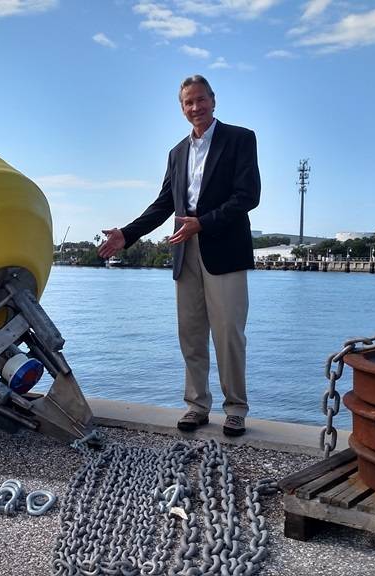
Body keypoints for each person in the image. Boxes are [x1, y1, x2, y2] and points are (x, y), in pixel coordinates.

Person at [98, 75, 260, 437]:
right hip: (183, 250)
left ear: (213, 100)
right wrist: (128, 234)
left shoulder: (240, 139)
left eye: (201, 100)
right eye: (188, 102)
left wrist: (202, 223)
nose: (195, 108)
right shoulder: (177, 152)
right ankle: (196, 406)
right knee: (190, 333)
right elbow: (163, 204)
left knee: (228, 335)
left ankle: (235, 410)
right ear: (181, 107)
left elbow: (248, 196)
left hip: (224, 249)